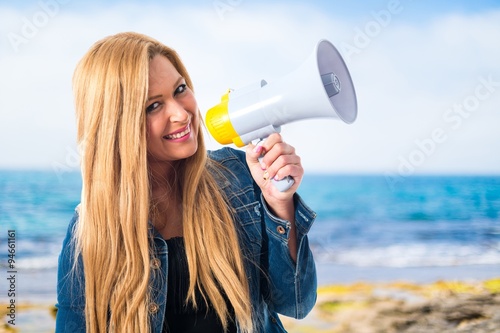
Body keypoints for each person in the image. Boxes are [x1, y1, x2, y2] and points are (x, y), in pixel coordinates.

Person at [56, 32, 317, 333]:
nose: (181, 113)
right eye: (153, 106)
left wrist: (279, 206)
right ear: (117, 125)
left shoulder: (238, 176)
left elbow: (297, 303)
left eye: (180, 89)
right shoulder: (89, 233)